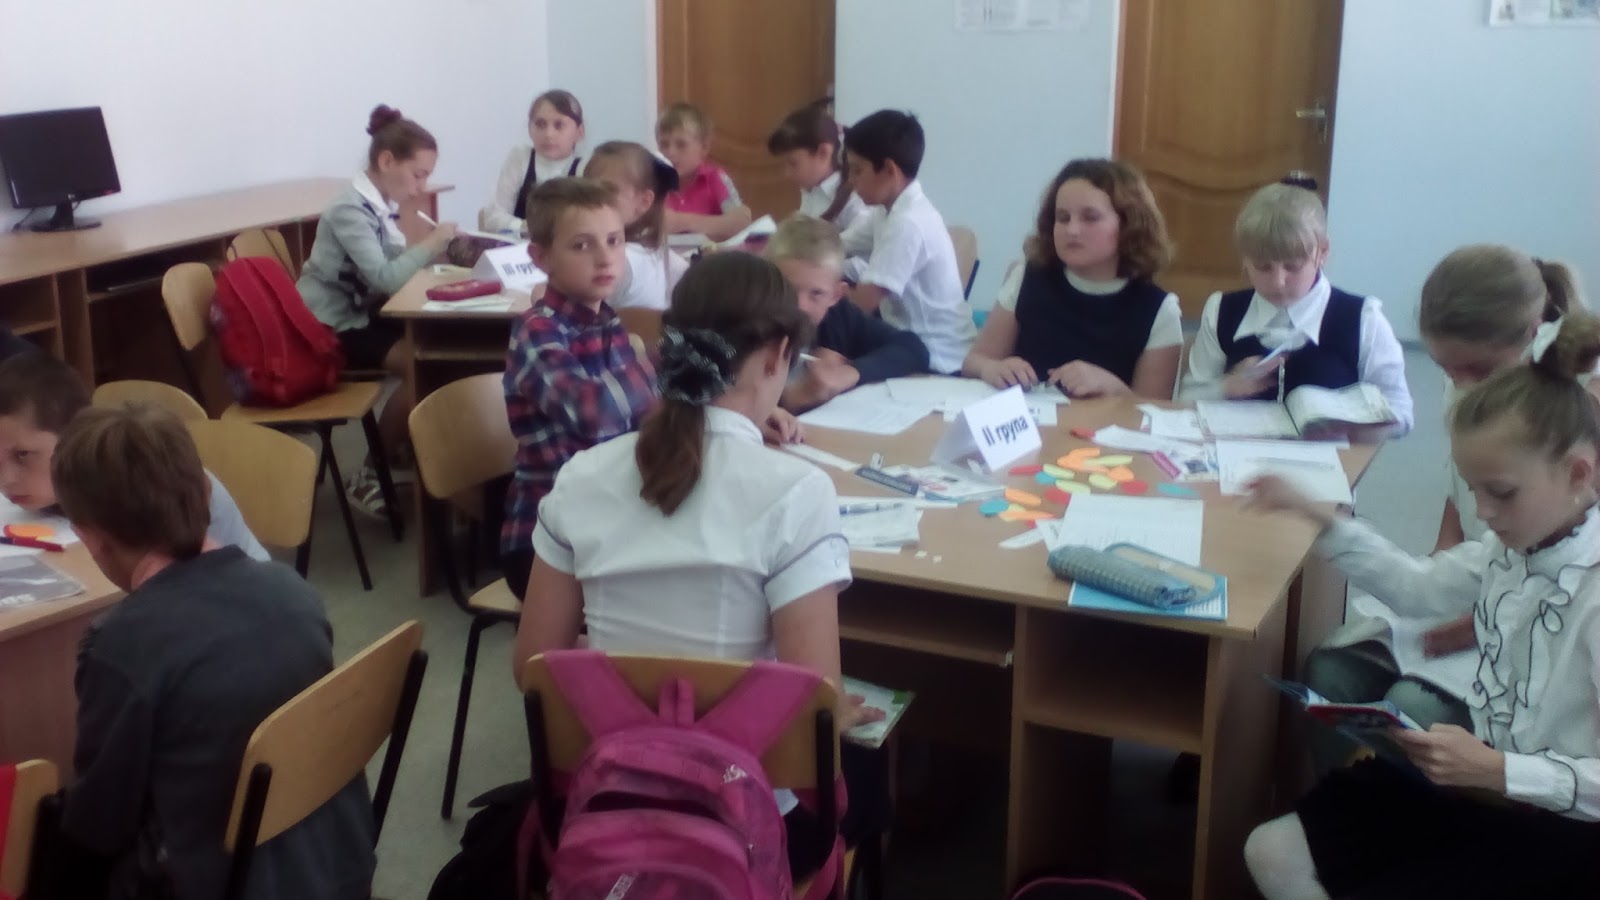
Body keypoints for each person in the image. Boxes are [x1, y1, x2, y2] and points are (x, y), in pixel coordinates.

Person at [513, 252, 887, 882]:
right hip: (747, 822)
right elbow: (811, 704)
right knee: (870, 769)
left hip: (606, 800)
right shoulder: (797, 492)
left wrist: (625, 669)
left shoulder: (580, 478)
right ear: (777, 357)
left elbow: (532, 669)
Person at [1240, 311, 1600, 900]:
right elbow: (1415, 586)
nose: (1482, 512)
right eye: (1474, 489)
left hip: (1562, 828)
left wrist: (1497, 770)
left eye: (1501, 492)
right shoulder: (1511, 550)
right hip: (1485, 787)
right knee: (1270, 850)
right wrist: (1316, 514)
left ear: (1579, 473)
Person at [52, 404, 375, 900]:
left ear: (90, 539)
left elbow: (99, 824)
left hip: (218, 882)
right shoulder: (294, 594)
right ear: (205, 493)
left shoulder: (121, 649)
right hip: (335, 865)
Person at [1300, 244, 1588, 773]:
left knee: (1411, 711)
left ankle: (1411, 811)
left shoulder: (1576, 414)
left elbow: (1554, 575)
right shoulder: (1473, 387)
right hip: (1485, 579)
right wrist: (1442, 568)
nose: (1459, 385)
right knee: (1332, 672)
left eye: (1475, 368)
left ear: (1530, 333)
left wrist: (1477, 620)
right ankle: (1344, 805)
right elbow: (1466, 493)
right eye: (1445, 368)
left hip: (1534, 620)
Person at [499, 178, 657, 600]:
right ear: (541, 257)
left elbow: (649, 411)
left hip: (608, 513)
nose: (605, 258)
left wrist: (732, 413)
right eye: (582, 245)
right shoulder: (536, 331)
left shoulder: (608, 322)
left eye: (614, 240)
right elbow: (592, 411)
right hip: (545, 539)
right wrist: (662, 363)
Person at [297, 104, 457, 516]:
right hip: (329, 327)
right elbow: (386, 278)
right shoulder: (350, 210)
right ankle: (369, 472)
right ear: (387, 161)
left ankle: (405, 442)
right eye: (418, 174)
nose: (422, 187)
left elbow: (394, 267)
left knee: (439, 349)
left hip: (360, 315)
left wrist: (441, 258)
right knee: (424, 368)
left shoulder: (379, 205)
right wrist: (432, 243)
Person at [1179, 182, 1414, 435]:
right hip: (1237, 453)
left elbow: (1401, 412)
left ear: (1322, 252)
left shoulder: (1363, 319)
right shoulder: (1222, 310)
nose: (1278, 281)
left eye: (1293, 266)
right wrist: (1225, 387)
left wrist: (1349, 420)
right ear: (1245, 259)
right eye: (1263, 267)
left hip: (1329, 457)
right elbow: (1184, 399)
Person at [0, 352, 268, 560]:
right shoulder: (54, 487)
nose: (5, 479)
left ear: (72, 433)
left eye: (23, 455)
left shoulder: (142, 487)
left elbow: (172, 587)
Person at [962, 158, 1182, 399]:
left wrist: (1112, 386)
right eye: (1063, 218)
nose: (1072, 230)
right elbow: (975, 361)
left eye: (1090, 217)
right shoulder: (1027, 277)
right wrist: (993, 369)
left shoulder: (1159, 309)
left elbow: (1156, 411)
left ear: (1129, 225)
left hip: (1104, 423)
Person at [838, 110, 976, 375]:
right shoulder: (886, 210)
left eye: (857, 170)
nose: (851, 181)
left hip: (940, 359)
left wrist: (820, 296)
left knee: (837, 351)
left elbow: (863, 303)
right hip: (906, 341)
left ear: (889, 170)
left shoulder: (909, 222)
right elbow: (838, 245)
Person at [765, 215, 929, 412]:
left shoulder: (839, 316)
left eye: (816, 294)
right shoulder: (747, 317)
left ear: (836, 295)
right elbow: (730, 382)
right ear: (767, 282)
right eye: (789, 289)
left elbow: (912, 348)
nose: (801, 306)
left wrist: (849, 373)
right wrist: (787, 400)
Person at [583, 141, 687, 312]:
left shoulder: (617, 261)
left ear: (644, 201)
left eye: (608, 191)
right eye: (586, 188)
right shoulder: (670, 260)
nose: (591, 199)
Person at [480, 89, 586, 236]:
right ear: (530, 129)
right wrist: (525, 227)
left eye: (559, 125)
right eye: (540, 124)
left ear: (579, 132)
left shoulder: (584, 167)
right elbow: (493, 217)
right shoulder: (520, 157)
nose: (548, 134)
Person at [657, 102, 754, 241]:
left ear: (704, 148)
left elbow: (742, 222)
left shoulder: (715, 178)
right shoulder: (653, 181)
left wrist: (682, 221)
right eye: (664, 145)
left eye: (681, 144)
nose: (670, 152)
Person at [767, 102, 867, 231]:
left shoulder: (855, 201)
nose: (787, 173)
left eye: (793, 163)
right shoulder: (810, 189)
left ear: (823, 152)